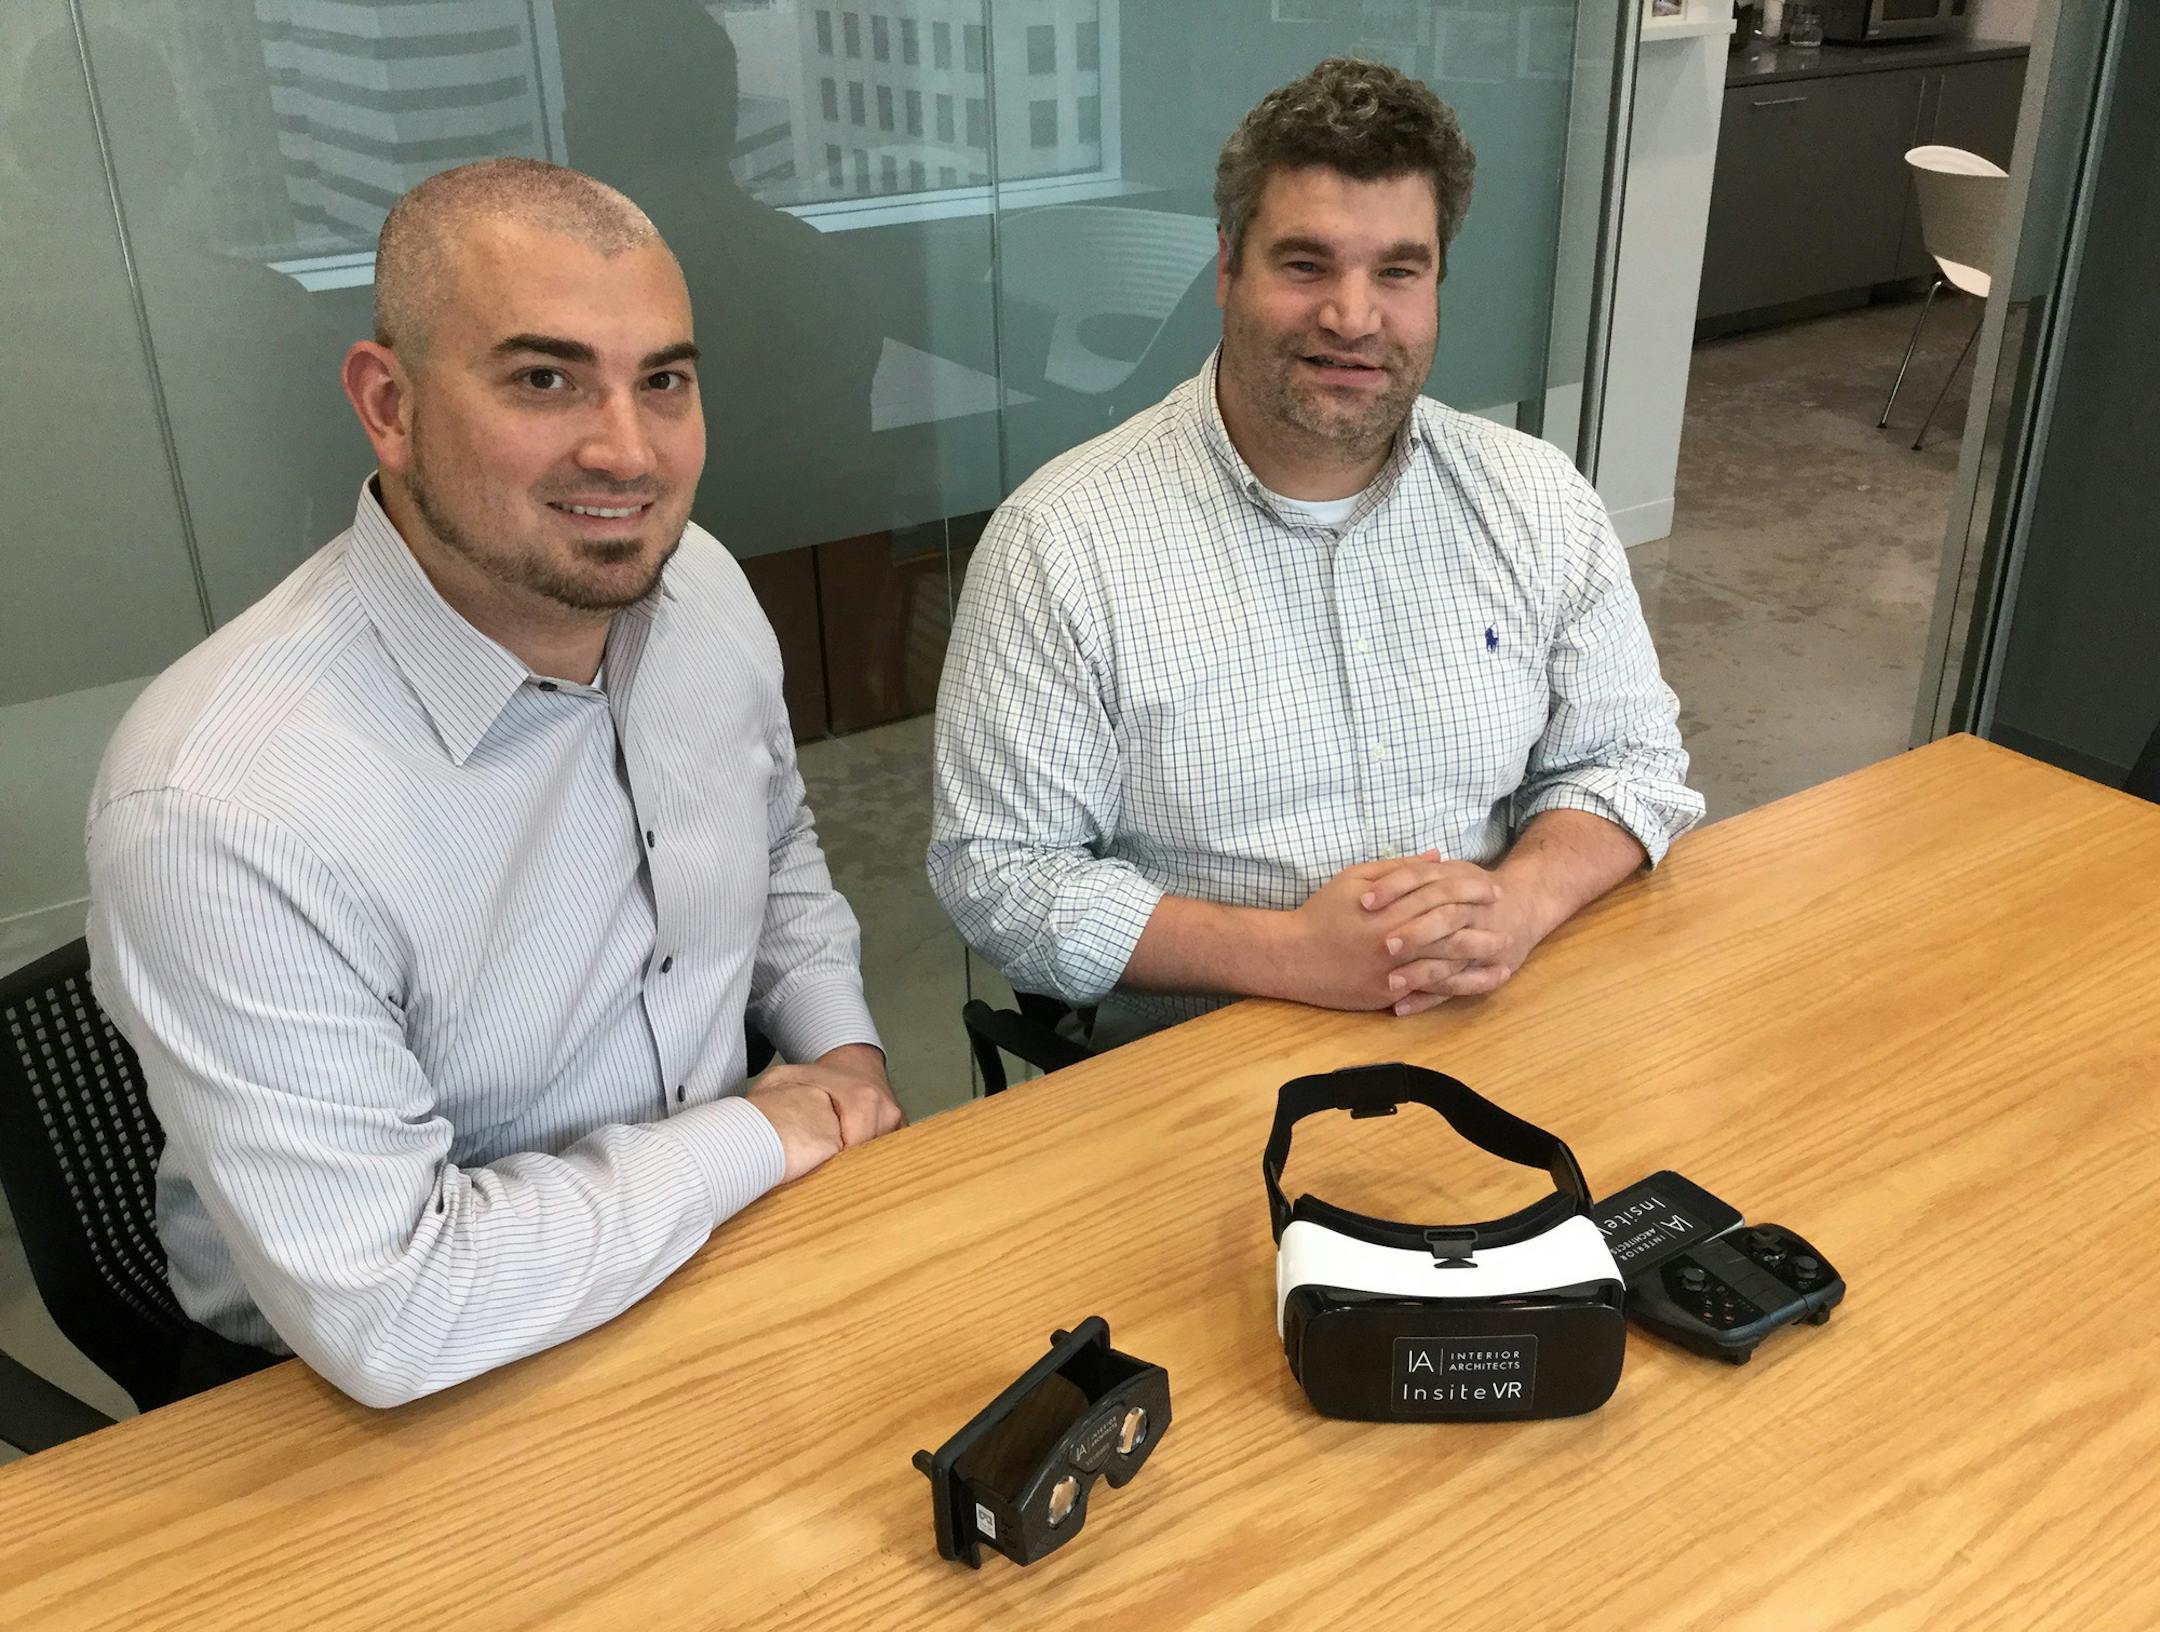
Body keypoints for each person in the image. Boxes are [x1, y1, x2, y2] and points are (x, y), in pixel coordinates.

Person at [86, 159, 902, 1409]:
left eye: (664, 382)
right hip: (372, 1401)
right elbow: (392, 1312)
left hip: (726, 1248)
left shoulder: (703, 593)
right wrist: (758, 1132)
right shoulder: (221, 805)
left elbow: (776, 839)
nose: (626, 451)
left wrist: (840, 1051)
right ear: (389, 403)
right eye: (543, 378)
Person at [928, 58, 1705, 1049]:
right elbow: (998, 871)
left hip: (1504, 1016)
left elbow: (1630, 758)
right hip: (1202, 1068)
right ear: (1224, 271)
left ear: (1435, 285)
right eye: (1305, 265)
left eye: (1397, 271)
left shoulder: (1536, 499)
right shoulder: (1064, 544)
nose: (1352, 315)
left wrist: (1515, 906)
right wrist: (1294, 954)